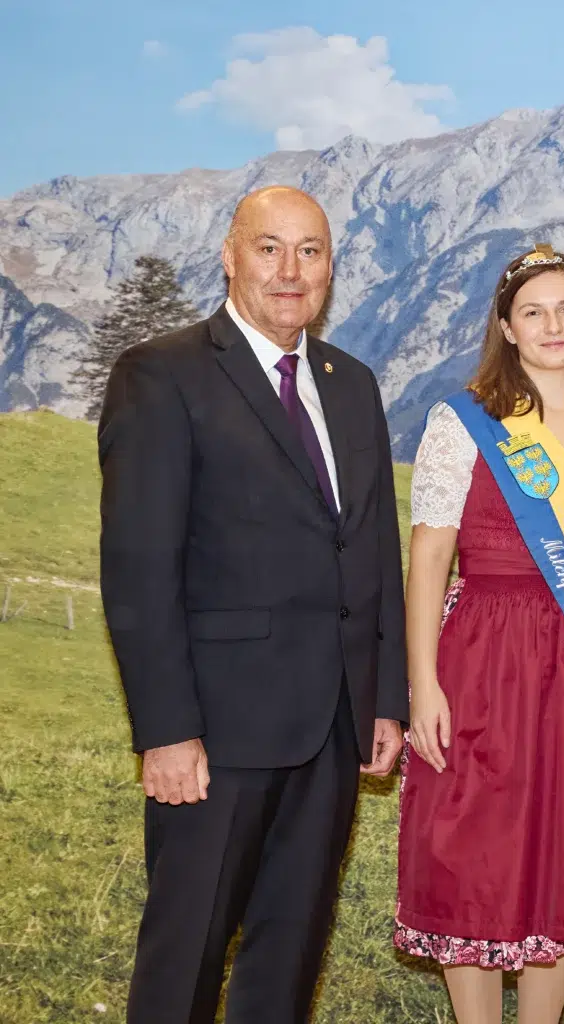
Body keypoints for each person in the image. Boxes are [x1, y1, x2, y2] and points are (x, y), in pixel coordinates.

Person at [98, 185, 407, 1024]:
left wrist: (384, 699)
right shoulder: (162, 374)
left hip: (334, 729)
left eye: (310, 251)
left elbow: (374, 547)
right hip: (215, 734)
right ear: (230, 255)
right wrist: (165, 728)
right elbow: (138, 567)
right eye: (269, 247)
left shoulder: (352, 385)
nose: (290, 270)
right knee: (184, 958)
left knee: (289, 955)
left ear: (331, 269)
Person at [395, 244, 564, 1024]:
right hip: (481, 654)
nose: (552, 325)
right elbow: (430, 557)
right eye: (533, 311)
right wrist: (423, 685)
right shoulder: (462, 420)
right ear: (507, 327)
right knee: (471, 844)